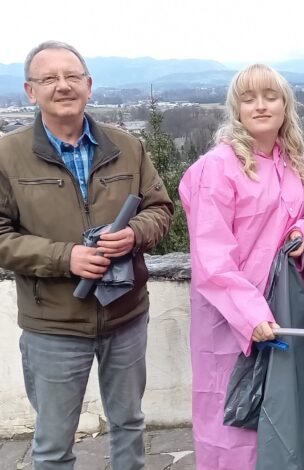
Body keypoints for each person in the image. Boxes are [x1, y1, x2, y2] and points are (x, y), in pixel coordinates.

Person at [0, 41, 173, 469]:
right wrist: (65, 258)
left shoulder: (126, 146)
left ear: (89, 86)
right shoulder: (7, 155)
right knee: (54, 443)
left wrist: (133, 234)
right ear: (30, 91)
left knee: (130, 424)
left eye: (72, 76)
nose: (63, 86)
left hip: (126, 316)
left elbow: (160, 209)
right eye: (49, 78)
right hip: (52, 325)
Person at [178, 63, 304, 469]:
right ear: (235, 108)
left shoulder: (296, 160)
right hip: (232, 320)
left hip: (286, 308)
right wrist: (250, 314)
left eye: (270, 96)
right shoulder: (216, 168)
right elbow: (211, 255)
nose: (260, 106)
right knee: (233, 424)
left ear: (285, 105)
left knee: (284, 416)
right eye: (248, 98)